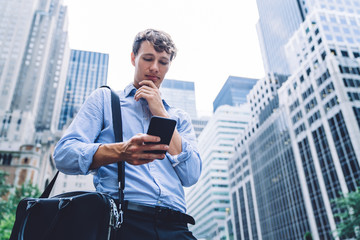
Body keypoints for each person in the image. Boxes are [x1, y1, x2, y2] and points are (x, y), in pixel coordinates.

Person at [53, 29, 202, 239]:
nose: (154, 68)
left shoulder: (180, 117)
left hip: (177, 225)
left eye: (163, 62)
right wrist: (121, 151)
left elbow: (191, 175)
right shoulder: (105, 100)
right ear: (134, 58)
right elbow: (63, 155)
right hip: (123, 222)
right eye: (148, 58)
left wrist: (161, 112)